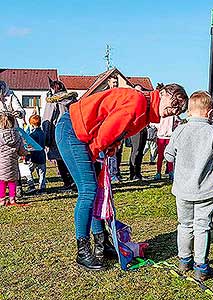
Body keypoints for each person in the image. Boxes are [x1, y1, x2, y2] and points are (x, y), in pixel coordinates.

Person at [55, 85, 188, 271]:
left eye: (179, 109)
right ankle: (83, 251)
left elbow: (116, 131)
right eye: (174, 103)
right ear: (163, 94)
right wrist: (94, 156)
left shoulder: (145, 112)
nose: (173, 111)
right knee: (89, 190)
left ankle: (102, 242)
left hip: (82, 134)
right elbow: (105, 133)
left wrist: (113, 146)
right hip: (73, 131)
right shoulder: (138, 103)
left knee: (96, 192)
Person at [165, 91, 213, 281]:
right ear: (210, 112)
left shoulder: (179, 130)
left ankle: (184, 259)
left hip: (183, 189)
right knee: (202, 226)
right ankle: (201, 265)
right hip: (207, 189)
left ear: (188, 111)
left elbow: (168, 156)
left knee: (184, 225)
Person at [42, 79, 76, 191]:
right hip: (72, 131)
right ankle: (74, 181)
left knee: (60, 159)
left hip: (57, 132)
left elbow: (48, 119)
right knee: (72, 157)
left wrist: (46, 138)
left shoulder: (53, 101)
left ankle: (67, 182)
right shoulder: (72, 99)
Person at [0, 112, 28, 206]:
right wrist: (26, 153)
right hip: (13, 163)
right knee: (12, 182)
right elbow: (22, 151)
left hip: (1, 163)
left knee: (2, 182)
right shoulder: (18, 136)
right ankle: (12, 200)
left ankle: (2, 200)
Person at [128, 84, 148, 181]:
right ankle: (133, 173)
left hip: (144, 128)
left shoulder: (144, 102)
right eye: (137, 91)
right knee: (135, 151)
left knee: (140, 151)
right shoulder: (132, 103)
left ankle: (138, 173)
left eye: (141, 91)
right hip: (136, 129)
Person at [25, 115, 47, 194]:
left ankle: (31, 186)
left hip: (33, 156)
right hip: (42, 155)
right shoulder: (43, 133)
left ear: (31, 124)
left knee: (28, 171)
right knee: (42, 173)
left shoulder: (32, 135)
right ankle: (42, 187)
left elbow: (29, 146)